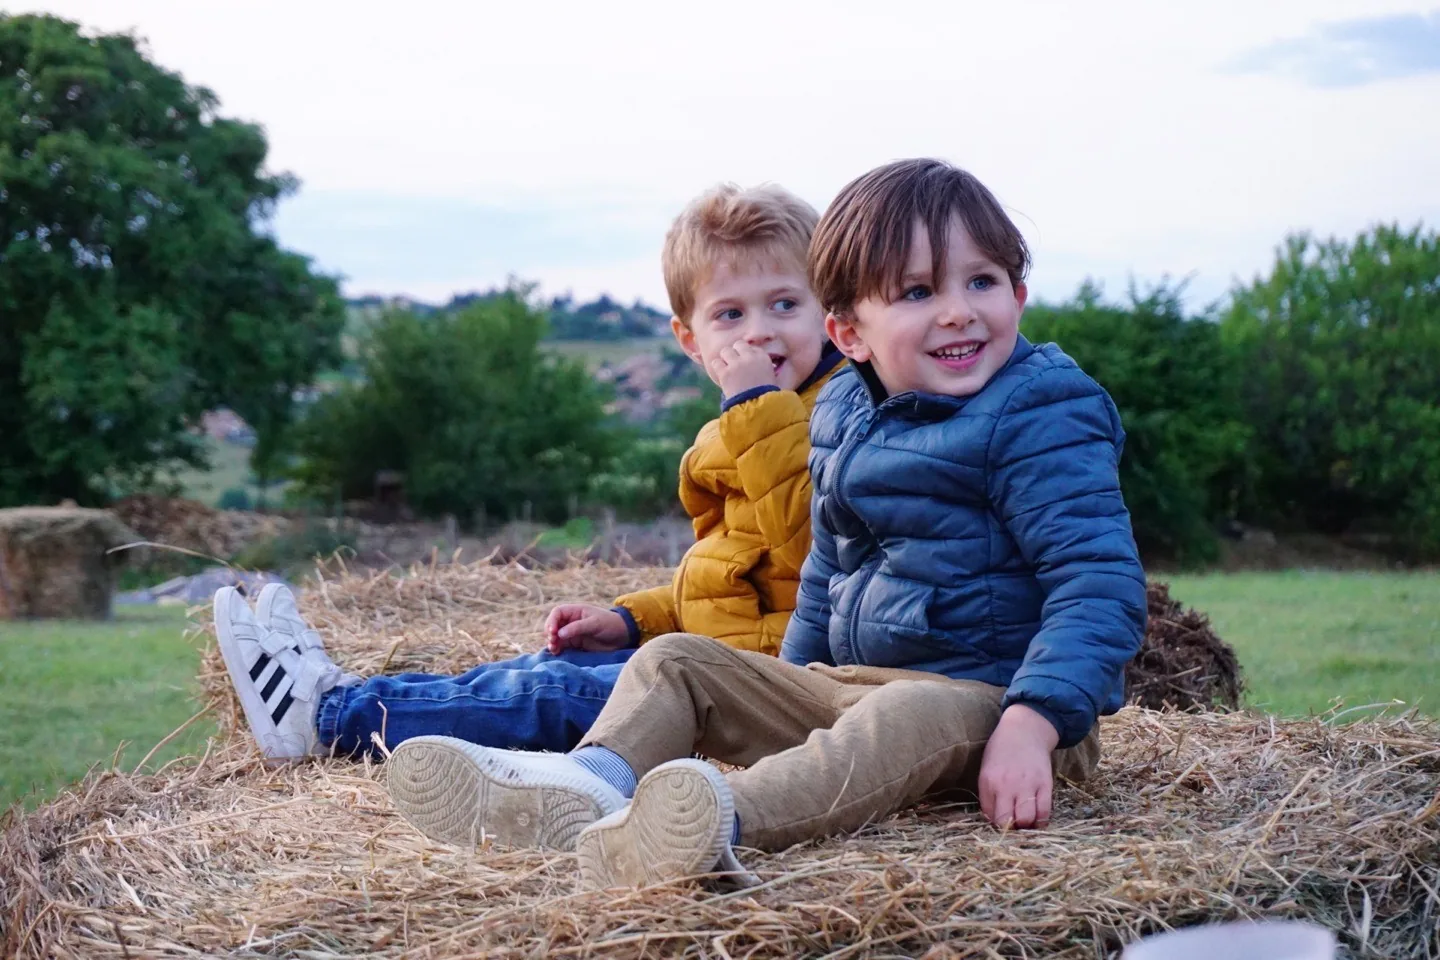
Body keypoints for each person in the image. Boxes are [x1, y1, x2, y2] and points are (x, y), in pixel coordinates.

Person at [385, 158, 1147, 888]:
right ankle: (586, 785)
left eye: (982, 281)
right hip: (854, 687)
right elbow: (827, 571)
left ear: (1018, 294)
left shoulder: (1043, 411)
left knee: (905, 714)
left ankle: (709, 820)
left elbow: (1097, 584)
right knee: (674, 661)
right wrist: (788, 681)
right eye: (917, 292)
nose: (957, 310)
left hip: (999, 706)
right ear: (849, 334)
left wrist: (1035, 721)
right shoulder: (843, 410)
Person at [212, 181, 845, 850]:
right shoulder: (753, 419)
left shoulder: (832, 416)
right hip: (725, 659)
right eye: (730, 314)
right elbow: (738, 578)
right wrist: (633, 620)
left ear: (828, 311)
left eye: (784, 304)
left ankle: (327, 715)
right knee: (529, 672)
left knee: (552, 695)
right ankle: (356, 693)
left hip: (768, 687)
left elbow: (815, 554)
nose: (759, 331)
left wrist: (755, 408)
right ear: (690, 339)